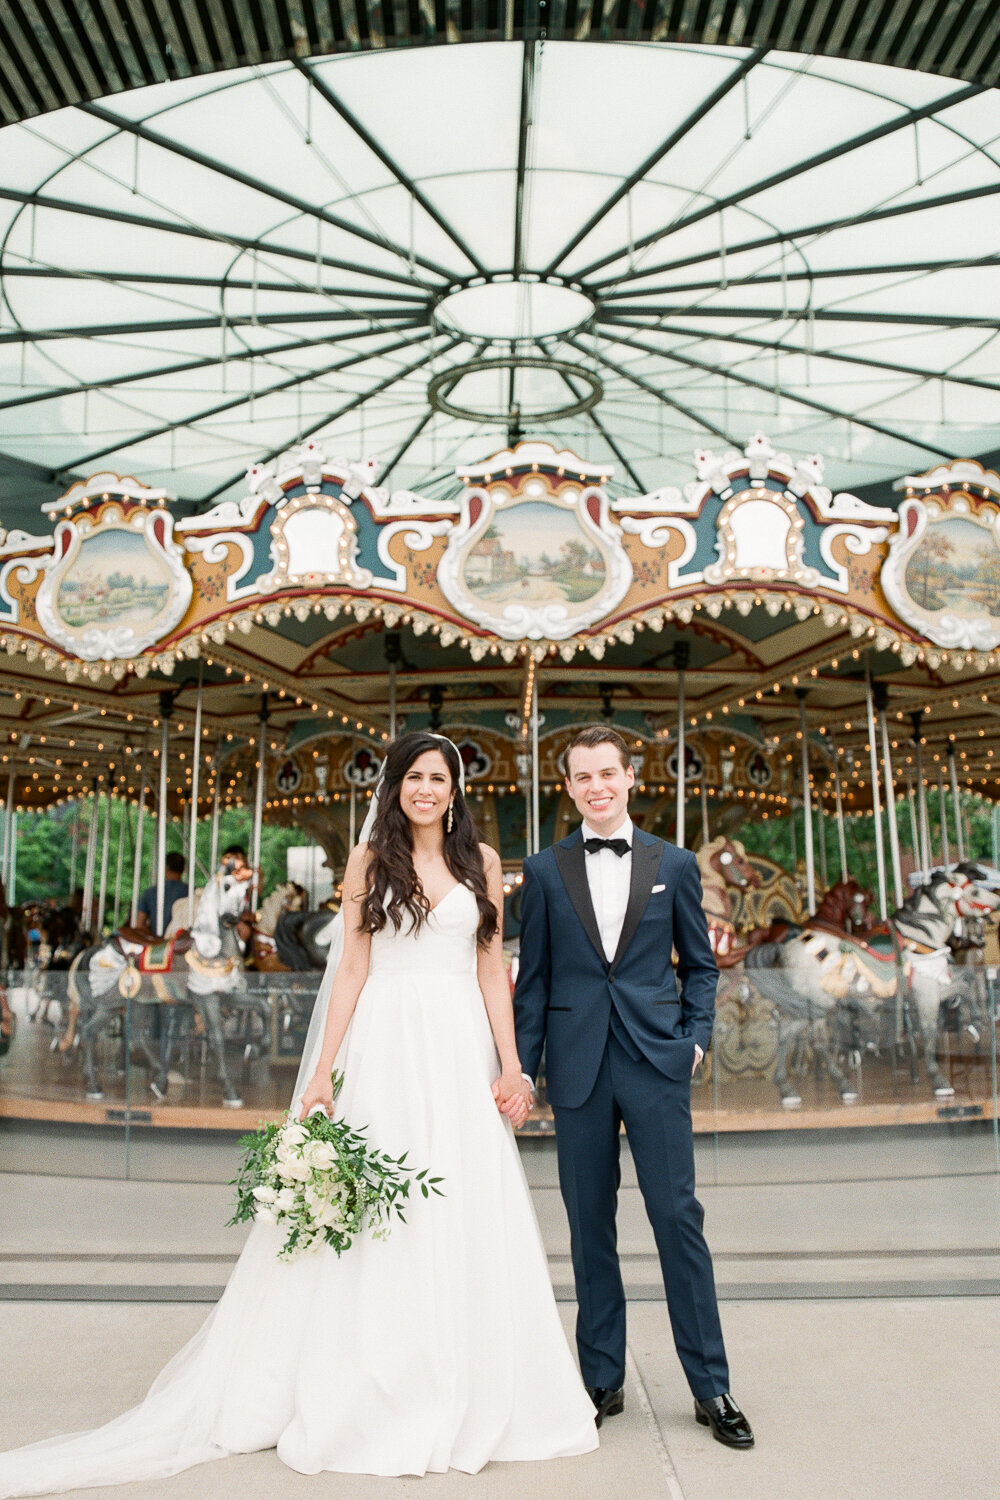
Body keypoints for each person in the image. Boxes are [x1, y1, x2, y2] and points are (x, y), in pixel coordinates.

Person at [0, 732, 597, 1495]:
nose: (426, 789)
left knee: (467, 1198)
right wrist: (321, 1073)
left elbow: (490, 970)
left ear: (455, 790)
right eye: (414, 776)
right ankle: (368, 1375)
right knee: (380, 1202)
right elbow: (350, 970)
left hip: (458, 1046)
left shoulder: (479, 865)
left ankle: (471, 1374)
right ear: (395, 785)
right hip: (385, 1040)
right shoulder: (366, 862)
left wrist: (511, 1064)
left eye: (438, 778)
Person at [513, 724, 754, 1450]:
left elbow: (702, 966)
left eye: (607, 774)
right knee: (590, 1229)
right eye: (582, 777)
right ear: (568, 787)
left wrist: (696, 1041)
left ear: (629, 778)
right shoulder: (545, 870)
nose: (596, 787)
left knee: (678, 1219)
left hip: (655, 1062)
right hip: (577, 1064)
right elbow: (534, 982)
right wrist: (524, 1069)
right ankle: (600, 1378)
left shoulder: (674, 864)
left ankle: (711, 1384)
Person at [134, 852, 188, 937]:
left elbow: (140, 925)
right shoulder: (191, 893)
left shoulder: (149, 893)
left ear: (165, 868)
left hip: (157, 943)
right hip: (181, 943)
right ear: (184, 869)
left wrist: (156, 938)